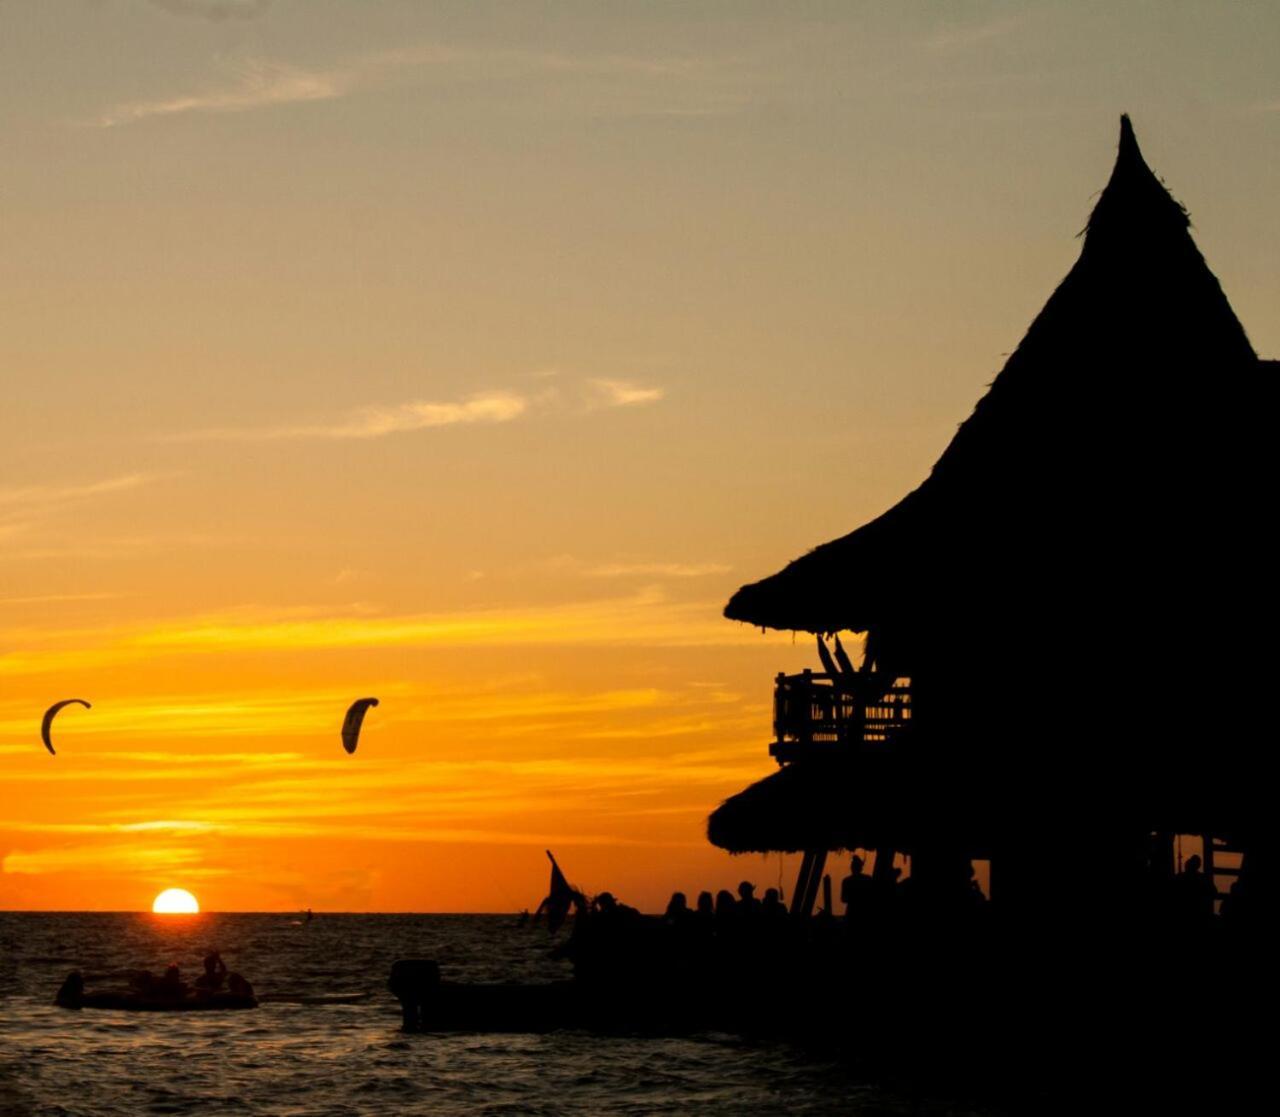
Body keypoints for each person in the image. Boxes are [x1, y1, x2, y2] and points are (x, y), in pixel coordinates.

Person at [840, 855, 874, 920]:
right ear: (861, 868)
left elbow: (843, 899)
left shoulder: (846, 880)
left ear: (852, 867)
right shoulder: (868, 879)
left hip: (851, 912)